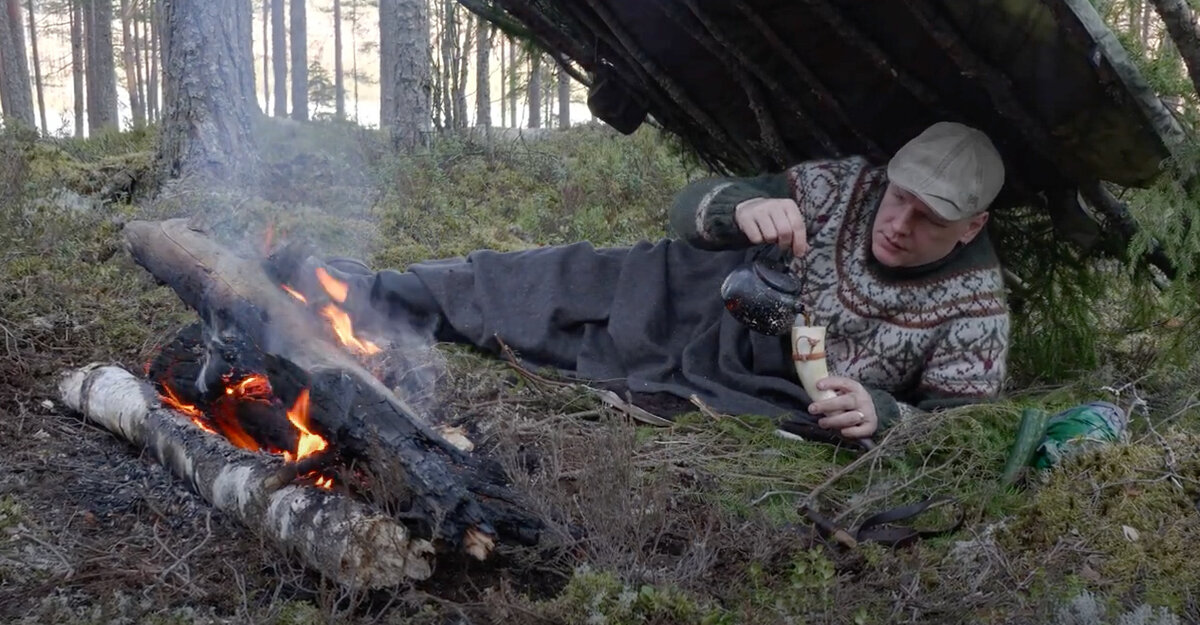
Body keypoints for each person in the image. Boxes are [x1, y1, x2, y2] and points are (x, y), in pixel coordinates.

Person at [294, 121, 1010, 444]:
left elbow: (967, 432)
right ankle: (351, 291)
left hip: (759, 378)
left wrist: (886, 414)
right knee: (541, 281)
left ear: (971, 227)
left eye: (928, 216)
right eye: (899, 196)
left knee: (565, 350)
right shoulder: (844, 186)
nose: (898, 221)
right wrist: (742, 205)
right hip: (692, 287)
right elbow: (689, 213)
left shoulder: (975, 312)